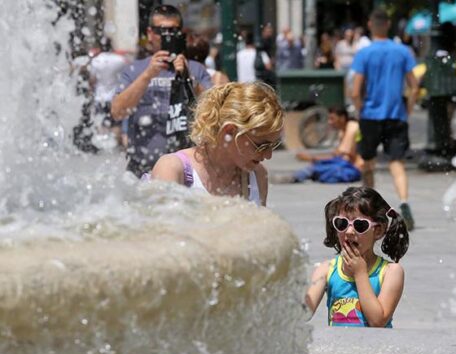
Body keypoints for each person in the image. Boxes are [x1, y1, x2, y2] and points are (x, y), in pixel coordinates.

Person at [111, 5, 213, 178]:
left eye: (174, 30)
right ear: (150, 33)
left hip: (187, 169)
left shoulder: (196, 69)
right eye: (162, 31)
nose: (168, 36)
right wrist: (148, 75)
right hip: (142, 167)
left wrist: (190, 80)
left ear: (181, 33)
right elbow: (118, 112)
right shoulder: (134, 69)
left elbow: (215, 109)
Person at [150, 82, 284, 206]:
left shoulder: (257, 175)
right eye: (261, 146)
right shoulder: (173, 169)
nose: (268, 155)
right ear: (230, 131)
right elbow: (162, 230)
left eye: (273, 145)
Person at [351, 9, 419, 230]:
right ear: (388, 25)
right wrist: (407, 110)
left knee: (367, 161)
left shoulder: (365, 53)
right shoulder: (403, 51)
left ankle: (368, 207)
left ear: (370, 24)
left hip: (370, 114)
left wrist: (360, 111)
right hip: (396, 114)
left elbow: (355, 90)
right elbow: (414, 86)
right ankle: (404, 202)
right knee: (396, 162)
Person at [305, 186, 408, 327]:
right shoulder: (326, 269)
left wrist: (360, 273)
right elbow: (303, 314)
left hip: (376, 349)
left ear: (378, 230)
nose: (349, 231)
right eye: (342, 223)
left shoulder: (391, 272)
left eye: (360, 225)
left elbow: (378, 321)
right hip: (339, 348)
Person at [284, 107, 363, 183]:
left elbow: (341, 156)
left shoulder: (352, 127)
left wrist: (311, 158)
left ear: (342, 118)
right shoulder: (342, 131)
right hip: (346, 166)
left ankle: (299, 176)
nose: (329, 122)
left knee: (324, 167)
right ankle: (301, 175)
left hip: (354, 169)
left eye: (332, 118)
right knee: (320, 165)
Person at [88, 39, 129, 150]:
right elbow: (127, 73)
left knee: (101, 122)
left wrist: (90, 90)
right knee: (115, 123)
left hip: (99, 97)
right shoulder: (119, 60)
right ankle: (114, 146)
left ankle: (103, 145)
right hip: (114, 96)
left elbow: (92, 80)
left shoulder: (96, 61)